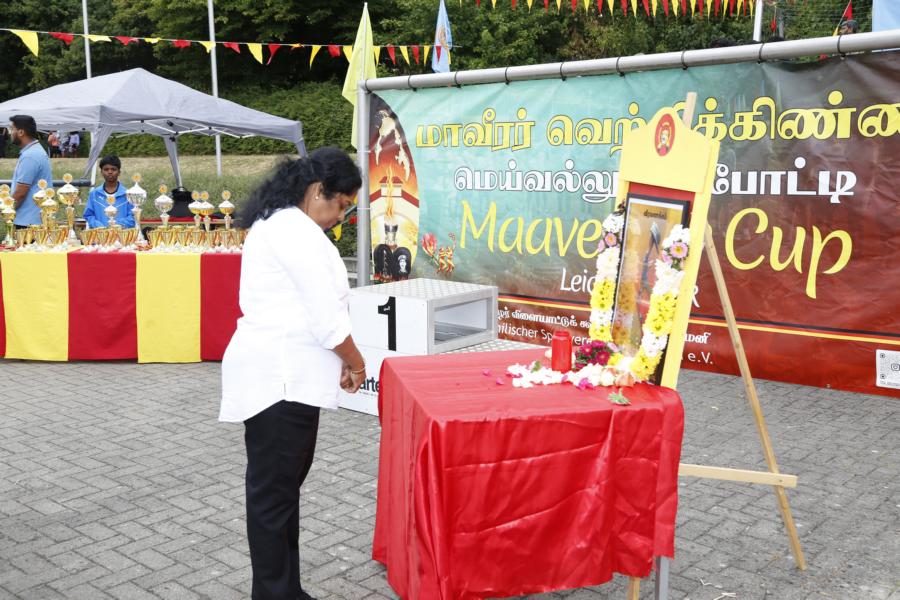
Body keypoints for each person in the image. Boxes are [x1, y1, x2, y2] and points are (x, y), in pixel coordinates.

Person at [219, 147, 365, 600]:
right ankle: (274, 593)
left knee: (281, 496)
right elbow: (326, 318)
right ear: (318, 190)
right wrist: (355, 361)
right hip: (279, 383)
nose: (341, 217)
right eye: (342, 204)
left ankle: (286, 590)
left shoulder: (286, 225)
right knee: (273, 499)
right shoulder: (293, 231)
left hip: (286, 381)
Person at [8, 115, 52, 228]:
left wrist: (6, 210)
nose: (10, 133)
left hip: (28, 223)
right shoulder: (35, 151)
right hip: (34, 220)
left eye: (12, 129)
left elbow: (20, 193)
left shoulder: (30, 156)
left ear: (21, 132)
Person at [83, 156, 134, 229]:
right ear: (101, 172)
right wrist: (99, 226)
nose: (110, 172)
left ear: (119, 172)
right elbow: (88, 215)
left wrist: (117, 225)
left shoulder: (128, 194)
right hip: (100, 234)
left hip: (121, 234)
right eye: (106, 169)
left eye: (113, 169)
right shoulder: (94, 194)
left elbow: (133, 217)